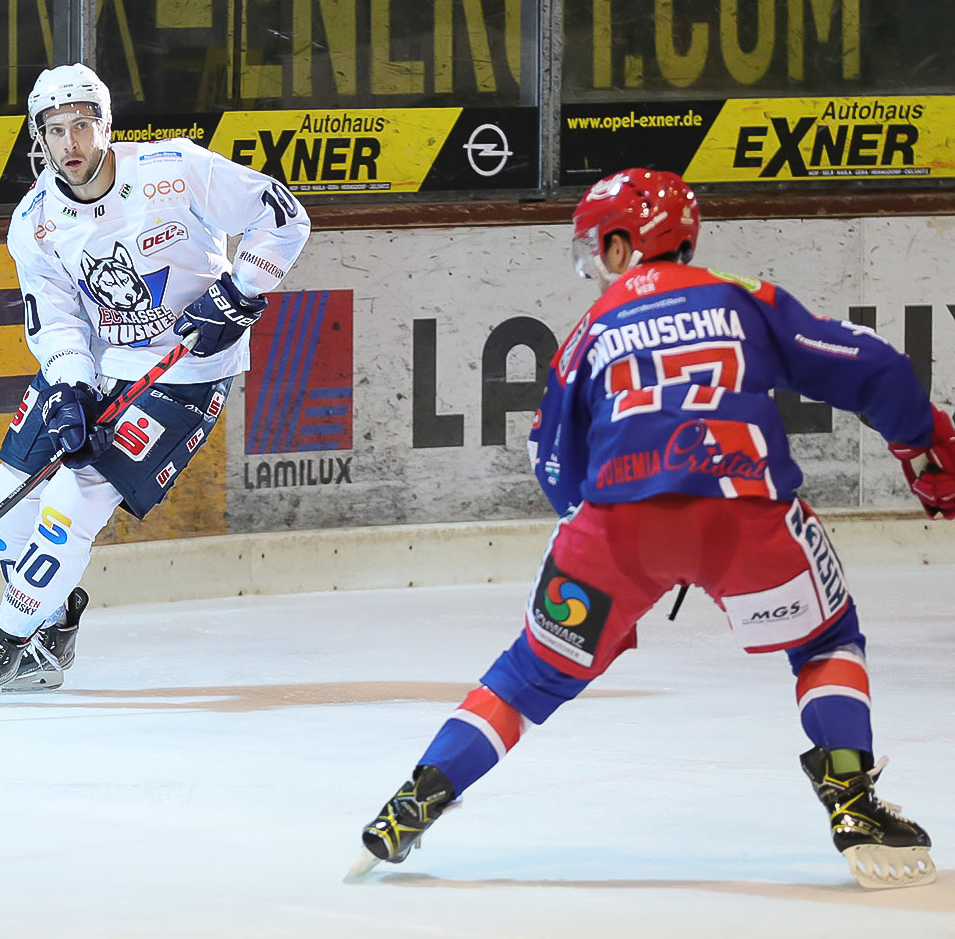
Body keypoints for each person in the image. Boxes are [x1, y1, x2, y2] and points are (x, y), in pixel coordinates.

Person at [348, 169, 942, 890]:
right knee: (825, 642)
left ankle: (413, 803)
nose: (595, 265)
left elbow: (551, 456)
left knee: (528, 675)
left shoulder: (590, 330)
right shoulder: (742, 297)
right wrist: (924, 451)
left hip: (613, 528)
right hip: (743, 509)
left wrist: (610, 548)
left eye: (598, 247)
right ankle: (852, 801)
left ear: (623, 244)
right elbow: (874, 367)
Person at [0, 64, 311, 703]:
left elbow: (284, 215)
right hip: (100, 367)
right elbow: (56, 319)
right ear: (39, 138)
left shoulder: (174, 169)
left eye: (82, 125)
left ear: (106, 125)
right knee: (4, 503)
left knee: (70, 505)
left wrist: (240, 292)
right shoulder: (35, 221)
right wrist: (70, 388)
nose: (70, 143)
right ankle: (50, 634)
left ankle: (3, 645)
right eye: (55, 130)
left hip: (183, 375)